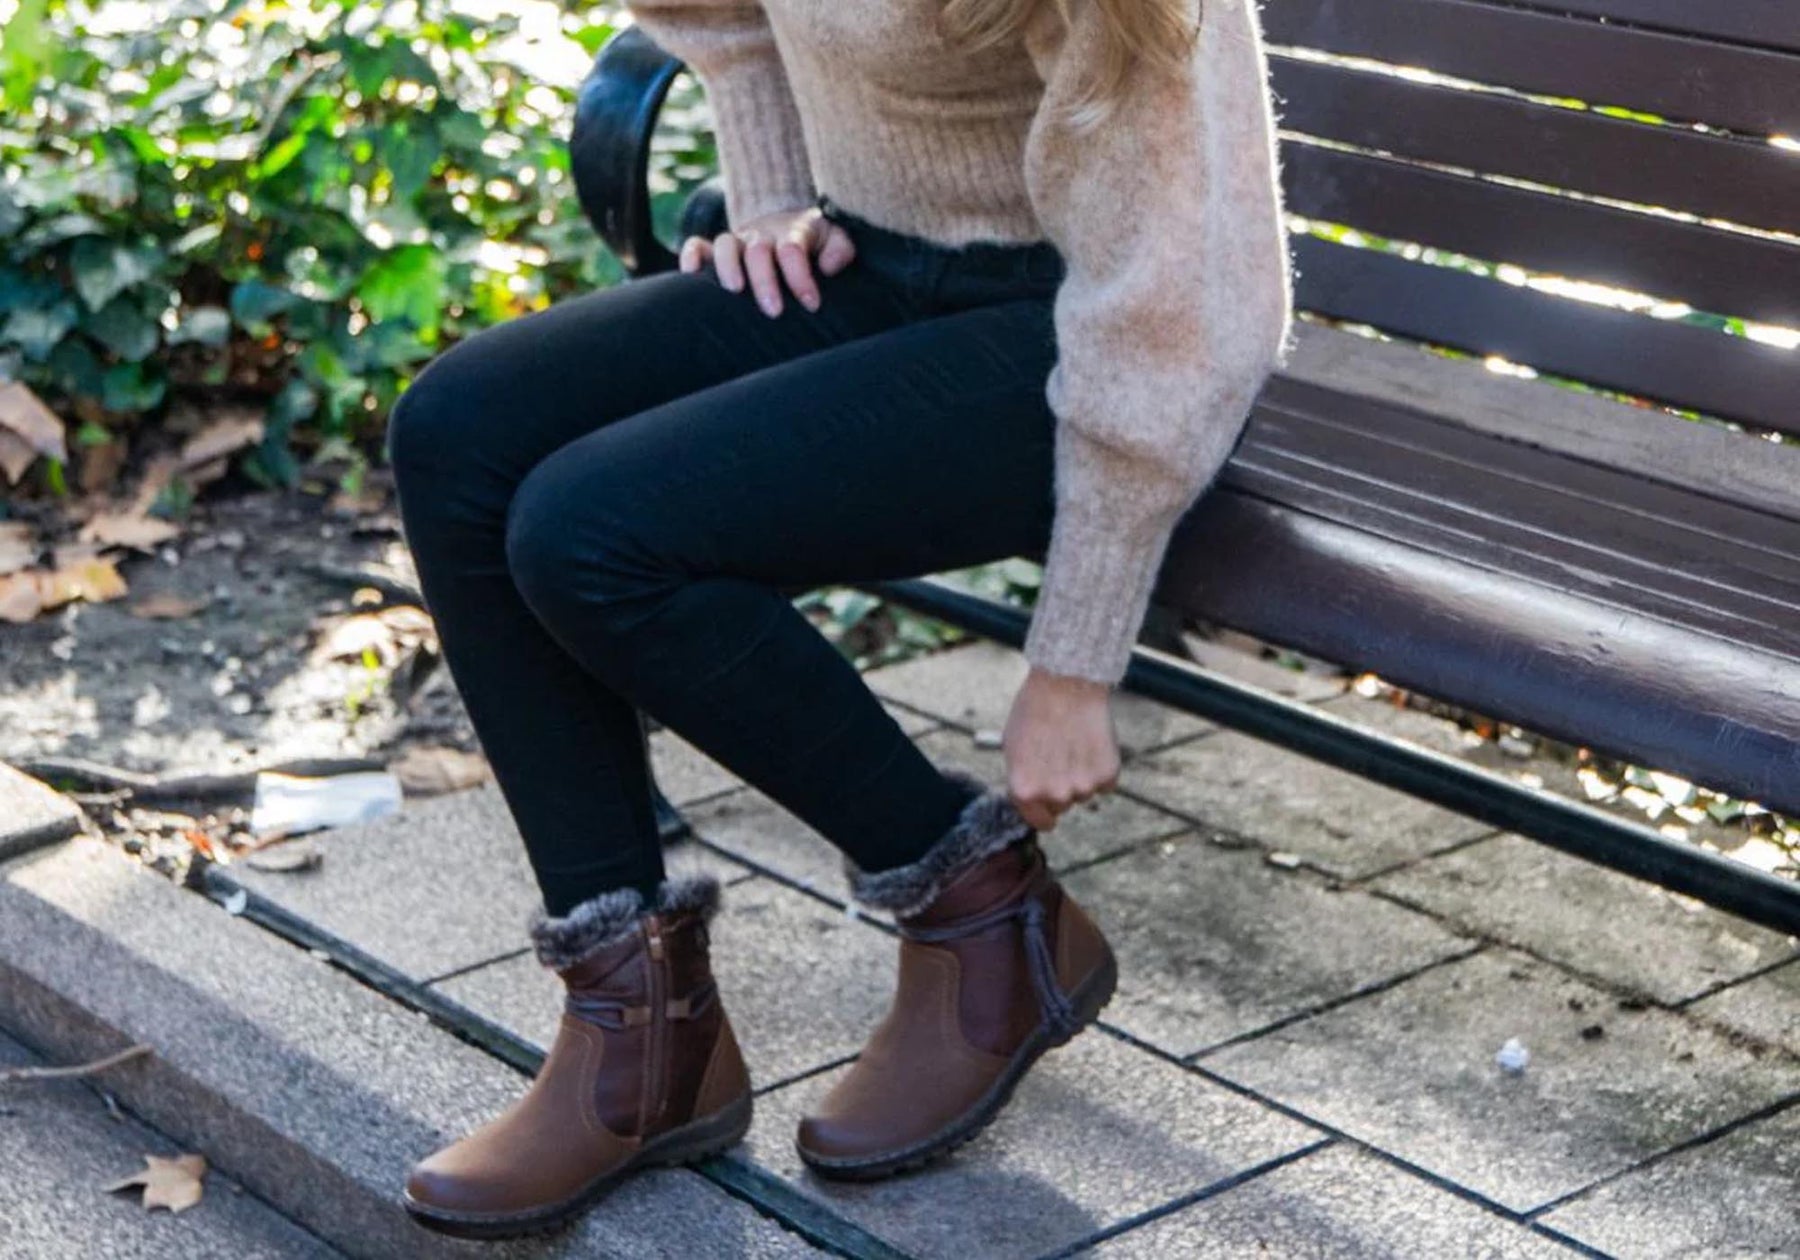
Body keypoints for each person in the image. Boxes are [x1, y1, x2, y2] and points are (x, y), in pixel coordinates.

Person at [389, 0, 1292, 1239]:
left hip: (1084, 331)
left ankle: (984, 923)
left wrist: (1075, 660)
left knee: (588, 534)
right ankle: (640, 1039)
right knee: (459, 434)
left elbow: (1174, 296)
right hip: (875, 262)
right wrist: (767, 190)